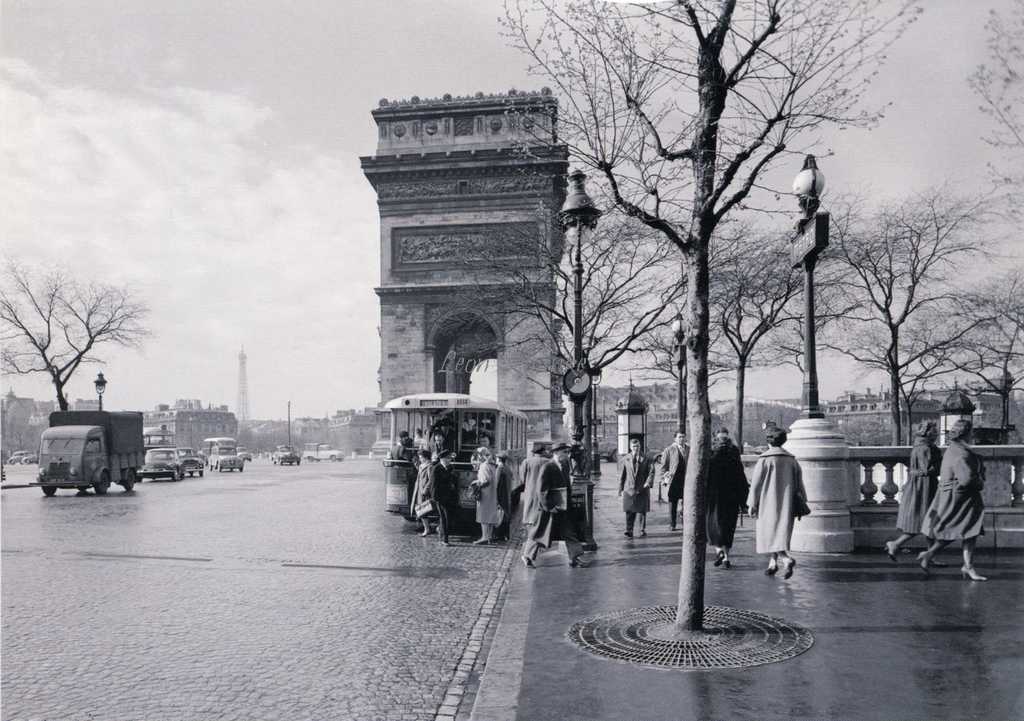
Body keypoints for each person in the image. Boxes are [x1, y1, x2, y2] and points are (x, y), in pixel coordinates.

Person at [919, 420, 988, 581]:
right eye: (971, 432)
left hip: (954, 496)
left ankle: (932, 556)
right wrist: (981, 481)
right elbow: (967, 480)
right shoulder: (962, 454)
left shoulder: (954, 449)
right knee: (965, 530)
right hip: (962, 498)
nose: (973, 435)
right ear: (967, 434)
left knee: (960, 531)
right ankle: (935, 557)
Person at [747, 425, 808, 578]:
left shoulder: (765, 459)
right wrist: (803, 502)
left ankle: (786, 559)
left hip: (767, 503)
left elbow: (756, 484)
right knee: (778, 533)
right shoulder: (791, 460)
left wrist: (752, 503)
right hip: (787, 504)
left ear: (768, 442)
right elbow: (800, 484)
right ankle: (773, 563)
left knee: (768, 533)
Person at [884, 421, 942, 562]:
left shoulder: (920, 446)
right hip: (924, 487)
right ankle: (896, 544)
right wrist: (942, 465)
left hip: (920, 486)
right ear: (926, 432)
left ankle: (930, 556)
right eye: (934, 431)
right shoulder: (926, 448)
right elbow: (926, 470)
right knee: (924, 521)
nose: (936, 433)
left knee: (928, 521)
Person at [706, 428, 749, 569]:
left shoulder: (711, 452)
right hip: (732, 495)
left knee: (713, 527)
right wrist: (744, 501)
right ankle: (726, 558)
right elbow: (740, 476)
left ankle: (719, 552)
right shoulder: (734, 452)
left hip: (714, 496)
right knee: (728, 528)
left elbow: (705, 476)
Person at [520, 442, 551, 567]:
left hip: (530, 496)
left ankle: (530, 553)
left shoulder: (526, 462)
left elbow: (522, 479)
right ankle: (528, 554)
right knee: (540, 526)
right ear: (543, 451)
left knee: (533, 524)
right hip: (543, 496)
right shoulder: (548, 462)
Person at [619, 436, 655, 538]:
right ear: (630, 447)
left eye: (638, 446)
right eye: (634, 446)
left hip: (642, 488)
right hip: (628, 488)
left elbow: (651, 472)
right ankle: (629, 530)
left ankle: (642, 530)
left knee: (642, 511)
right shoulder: (625, 459)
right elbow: (622, 475)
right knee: (629, 510)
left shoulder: (647, 458)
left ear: (640, 447)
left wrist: (648, 482)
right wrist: (620, 490)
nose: (636, 448)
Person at [423, 450, 457, 546]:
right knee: (445, 517)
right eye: (447, 458)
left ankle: (442, 535)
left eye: (450, 458)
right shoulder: (436, 469)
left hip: (449, 497)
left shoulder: (450, 467)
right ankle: (444, 539)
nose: (449, 460)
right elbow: (433, 485)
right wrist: (435, 498)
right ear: (442, 459)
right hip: (441, 497)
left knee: (446, 517)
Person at [471, 446, 502, 544]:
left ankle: (484, 537)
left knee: (483, 515)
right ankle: (489, 537)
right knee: (490, 514)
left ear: (481, 456)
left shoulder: (484, 466)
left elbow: (485, 481)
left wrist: (475, 482)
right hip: (492, 493)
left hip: (485, 494)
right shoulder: (492, 465)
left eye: (478, 456)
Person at [659, 430, 688, 531]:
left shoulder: (689, 449)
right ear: (675, 439)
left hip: (686, 480)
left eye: (683, 437)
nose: (682, 439)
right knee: (673, 502)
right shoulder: (669, 450)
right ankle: (672, 523)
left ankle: (685, 522)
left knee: (687, 502)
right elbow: (663, 467)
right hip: (674, 480)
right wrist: (664, 479)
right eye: (679, 437)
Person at [412, 449, 435, 536]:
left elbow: (431, 480)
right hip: (419, 491)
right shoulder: (422, 465)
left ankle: (427, 529)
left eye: (421, 457)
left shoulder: (429, 466)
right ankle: (427, 528)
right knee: (421, 510)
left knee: (424, 510)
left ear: (426, 457)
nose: (420, 459)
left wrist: (426, 489)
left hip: (424, 492)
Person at [494, 452, 514, 541]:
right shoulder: (508, 468)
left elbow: (496, 483)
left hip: (501, 494)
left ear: (499, 459)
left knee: (500, 513)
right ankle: (506, 535)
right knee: (506, 514)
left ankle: (499, 535)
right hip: (507, 493)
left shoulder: (499, 468)